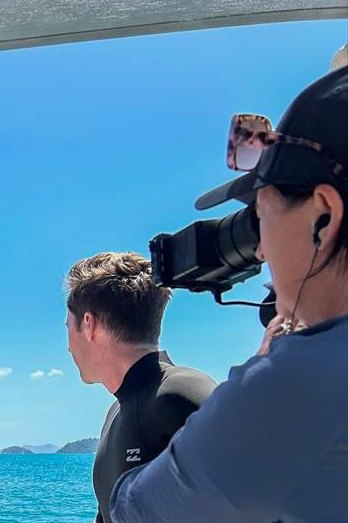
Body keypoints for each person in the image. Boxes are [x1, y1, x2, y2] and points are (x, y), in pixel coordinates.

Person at [110, 68, 348, 522]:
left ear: (323, 216)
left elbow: (142, 512)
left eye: (263, 216)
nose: (260, 249)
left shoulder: (300, 378)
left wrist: (265, 370)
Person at [64, 252, 216, 523]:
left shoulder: (182, 394)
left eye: (68, 328)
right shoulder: (116, 412)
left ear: (89, 325)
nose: (67, 346)